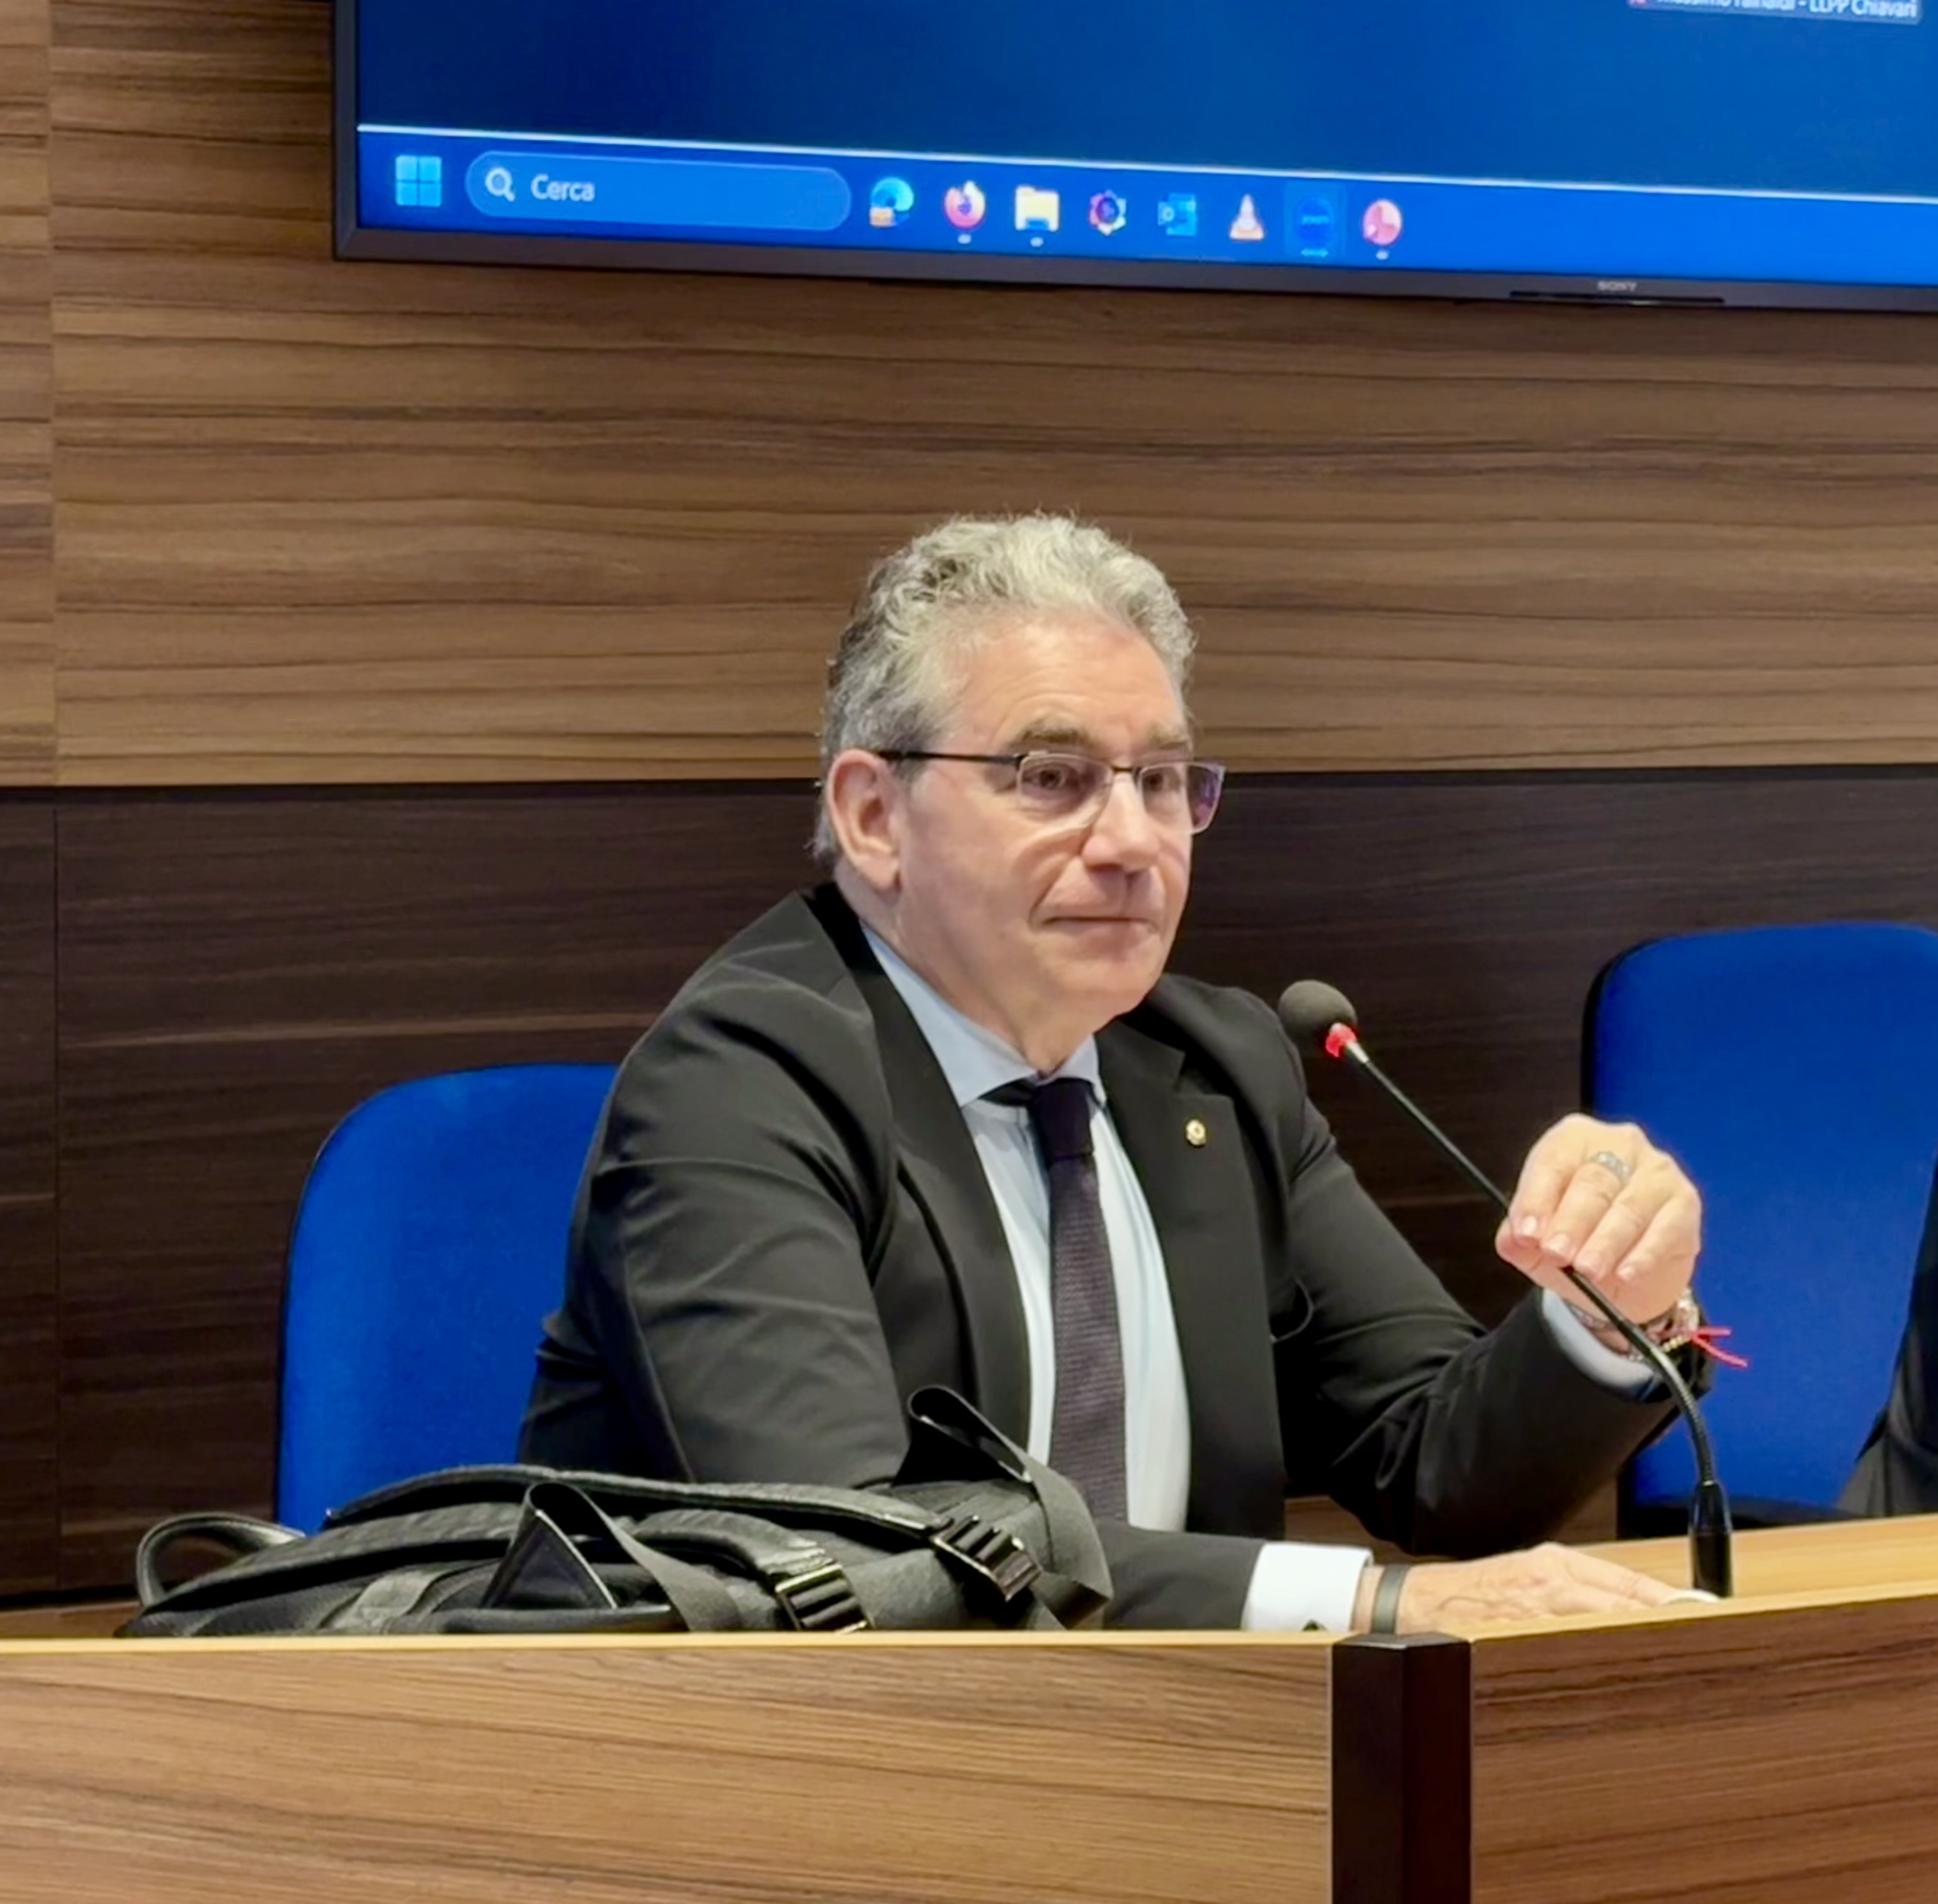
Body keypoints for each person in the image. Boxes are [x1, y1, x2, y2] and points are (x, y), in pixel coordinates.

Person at [523, 514, 1708, 1631]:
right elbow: (860, 1548)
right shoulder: (738, 1082)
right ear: (875, 815)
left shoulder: (1217, 1070)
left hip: (1184, 1741)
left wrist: (1607, 1312)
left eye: (1162, 781)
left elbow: (1438, 1470)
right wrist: (1357, 1602)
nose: (1135, 841)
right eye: (1052, 777)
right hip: (795, 1756)